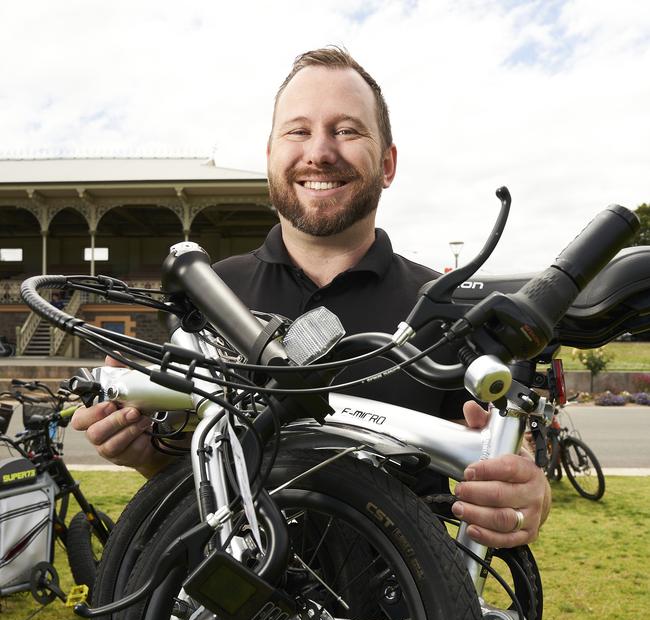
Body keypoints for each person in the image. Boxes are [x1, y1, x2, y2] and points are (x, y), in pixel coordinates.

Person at [72, 47, 550, 548]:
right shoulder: (208, 294)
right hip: (231, 616)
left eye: (347, 130)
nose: (319, 152)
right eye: (297, 131)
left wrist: (523, 494)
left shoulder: (448, 312)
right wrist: (144, 452)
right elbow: (195, 473)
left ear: (387, 163)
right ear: (271, 156)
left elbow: (505, 463)